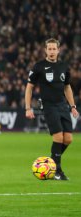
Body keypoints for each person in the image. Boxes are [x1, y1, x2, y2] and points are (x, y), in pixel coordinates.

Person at [25, 38, 79, 180]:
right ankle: (57, 171)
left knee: (68, 139)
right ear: (45, 50)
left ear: (58, 50)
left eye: (54, 49)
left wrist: (73, 106)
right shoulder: (39, 66)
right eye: (49, 49)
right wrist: (28, 107)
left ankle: (51, 162)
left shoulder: (64, 67)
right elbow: (29, 88)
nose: (52, 51)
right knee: (58, 137)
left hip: (62, 105)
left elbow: (67, 87)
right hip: (49, 106)